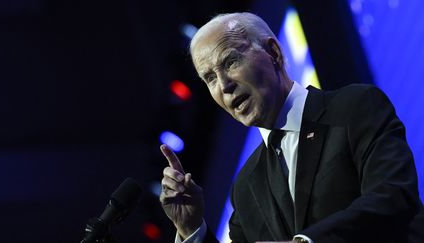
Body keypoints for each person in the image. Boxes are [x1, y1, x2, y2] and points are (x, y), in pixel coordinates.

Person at [159, 12, 423, 243]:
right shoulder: (246, 186)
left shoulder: (354, 107)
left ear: (273, 52)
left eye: (230, 62)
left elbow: (394, 197)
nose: (224, 86)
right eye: (210, 78)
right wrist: (192, 229)